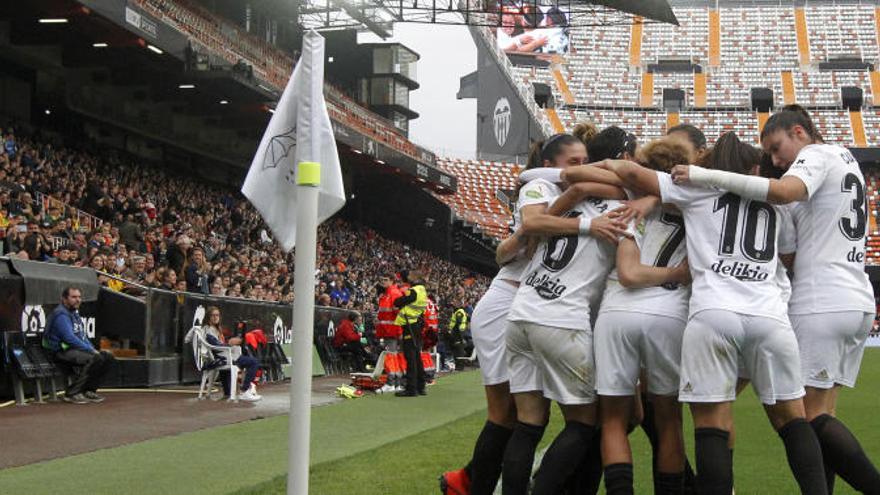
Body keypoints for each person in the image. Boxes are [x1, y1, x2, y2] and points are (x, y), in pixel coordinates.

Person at [600, 132, 828, 494]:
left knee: (712, 424)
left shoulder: (697, 189)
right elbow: (788, 257)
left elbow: (630, 172)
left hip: (712, 313)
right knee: (793, 419)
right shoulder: (778, 205)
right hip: (768, 316)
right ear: (753, 168)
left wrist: (614, 173)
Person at [672, 109, 880, 493]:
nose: (776, 161)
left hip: (821, 299)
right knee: (819, 415)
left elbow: (786, 193)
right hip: (855, 296)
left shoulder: (814, 156)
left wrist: (703, 176)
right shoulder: (846, 159)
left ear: (799, 131)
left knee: (807, 420)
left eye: (777, 149)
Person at [591, 138, 694, 494]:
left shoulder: (631, 208)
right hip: (669, 314)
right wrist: (676, 274)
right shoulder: (697, 206)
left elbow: (629, 274)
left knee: (614, 421)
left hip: (617, 313)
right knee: (668, 420)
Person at [42, 287, 116, 404]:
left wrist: (92, 349)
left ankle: (89, 390)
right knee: (94, 358)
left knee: (108, 357)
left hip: (73, 350)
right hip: (58, 352)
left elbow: (82, 336)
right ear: (64, 299)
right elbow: (69, 339)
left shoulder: (74, 313)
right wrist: (91, 351)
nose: (78, 300)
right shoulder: (61, 314)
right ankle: (72, 393)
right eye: (74, 297)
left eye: (79, 297)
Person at [195, 306, 262, 402]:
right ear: (208, 317)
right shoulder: (208, 329)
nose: (215, 317)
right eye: (213, 315)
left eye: (217, 315)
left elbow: (219, 344)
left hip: (223, 356)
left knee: (242, 357)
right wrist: (229, 343)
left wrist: (229, 342)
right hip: (224, 357)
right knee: (254, 362)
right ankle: (244, 391)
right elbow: (216, 345)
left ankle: (228, 393)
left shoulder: (214, 328)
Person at [393, 269, 429, 397]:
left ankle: (411, 388)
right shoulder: (422, 290)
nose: (408, 277)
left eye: (410, 276)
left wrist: (399, 300)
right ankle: (421, 386)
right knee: (417, 357)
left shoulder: (414, 291)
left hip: (410, 325)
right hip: (415, 325)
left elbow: (398, 302)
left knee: (411, 357)